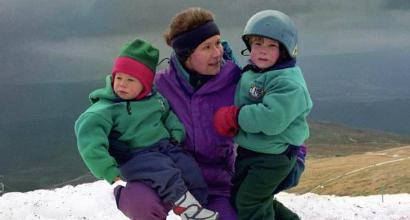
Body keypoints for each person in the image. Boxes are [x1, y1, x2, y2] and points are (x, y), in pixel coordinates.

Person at [112, 8, 241, 220]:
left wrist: (291, 160)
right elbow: (118, 109)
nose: (217, 53)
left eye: (218, 43)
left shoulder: (235, 82)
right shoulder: (159, 86)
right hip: (170, 178)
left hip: (217, 185)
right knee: (139, 202)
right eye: (206, 47)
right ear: (185, 54)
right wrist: (112, 139)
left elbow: (275, 119)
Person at [74, 38, 219, 220]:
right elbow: (89, 141)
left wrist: (176, 133)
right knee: (166, 173)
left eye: (130, 80)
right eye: (118, 77)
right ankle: (189, 210)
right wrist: (107, 169)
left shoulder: (155, 99)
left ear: (144, 84)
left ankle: (200, 208)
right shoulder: (104, 110)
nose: (122, 84)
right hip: (137, 156)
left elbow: (168, 115)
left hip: (165, 147)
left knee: (190, 169)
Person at [213, 10, 313, 220]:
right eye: (257, 44)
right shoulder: (257, 72)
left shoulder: (287, 81)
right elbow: (245, 88)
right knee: (244, 197)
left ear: (285, 51)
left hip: (273, 157)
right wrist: (226, 60)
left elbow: (272, 119)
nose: (263, 51)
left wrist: (236, 116)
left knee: (250, 202)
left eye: (271, 45)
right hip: (253, 152)